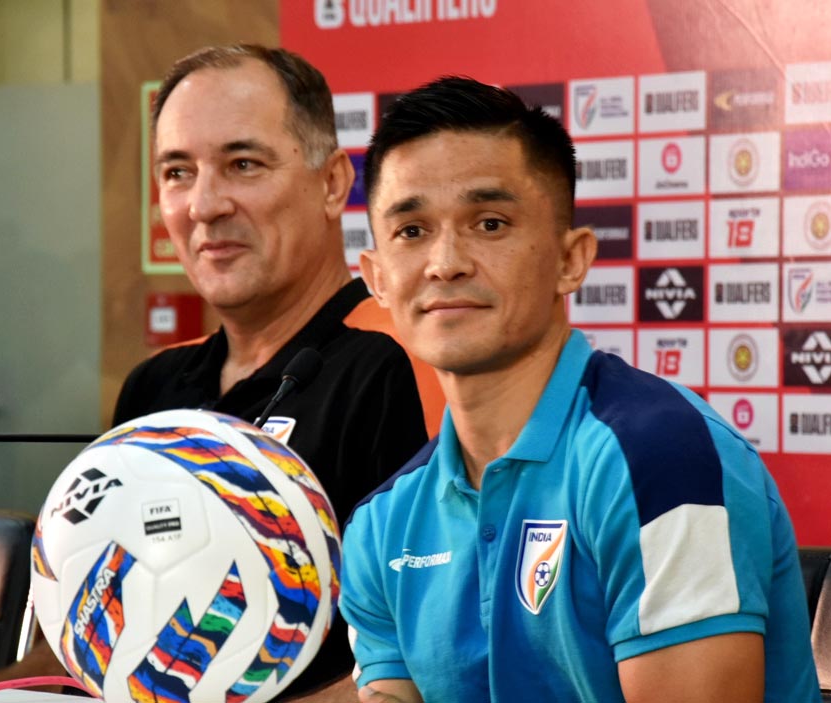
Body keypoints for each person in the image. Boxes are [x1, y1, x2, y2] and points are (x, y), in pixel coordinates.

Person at [0, 45, 443, 703]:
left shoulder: (404, 363)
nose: (204, 204)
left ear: (334, 182)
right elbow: (74, 651)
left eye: (243, 164)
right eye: (177, 171)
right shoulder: (154, 387)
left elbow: (436, 658)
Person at [339, 76, 821, 703]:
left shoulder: (660, 460)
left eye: (489, 223)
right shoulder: (381, 524)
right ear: (376, 277)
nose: (445, 262)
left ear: (572, 259)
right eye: (411, 231)